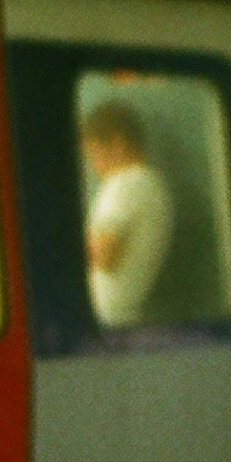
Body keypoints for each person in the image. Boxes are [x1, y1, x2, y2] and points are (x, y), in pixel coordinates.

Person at [80, 101, 174, 329]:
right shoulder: (150, 184)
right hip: (118, 319)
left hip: (107, 319)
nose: (93, 165)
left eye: (94, 153)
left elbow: (103, 255)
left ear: (118, 144)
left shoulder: (127, 183)